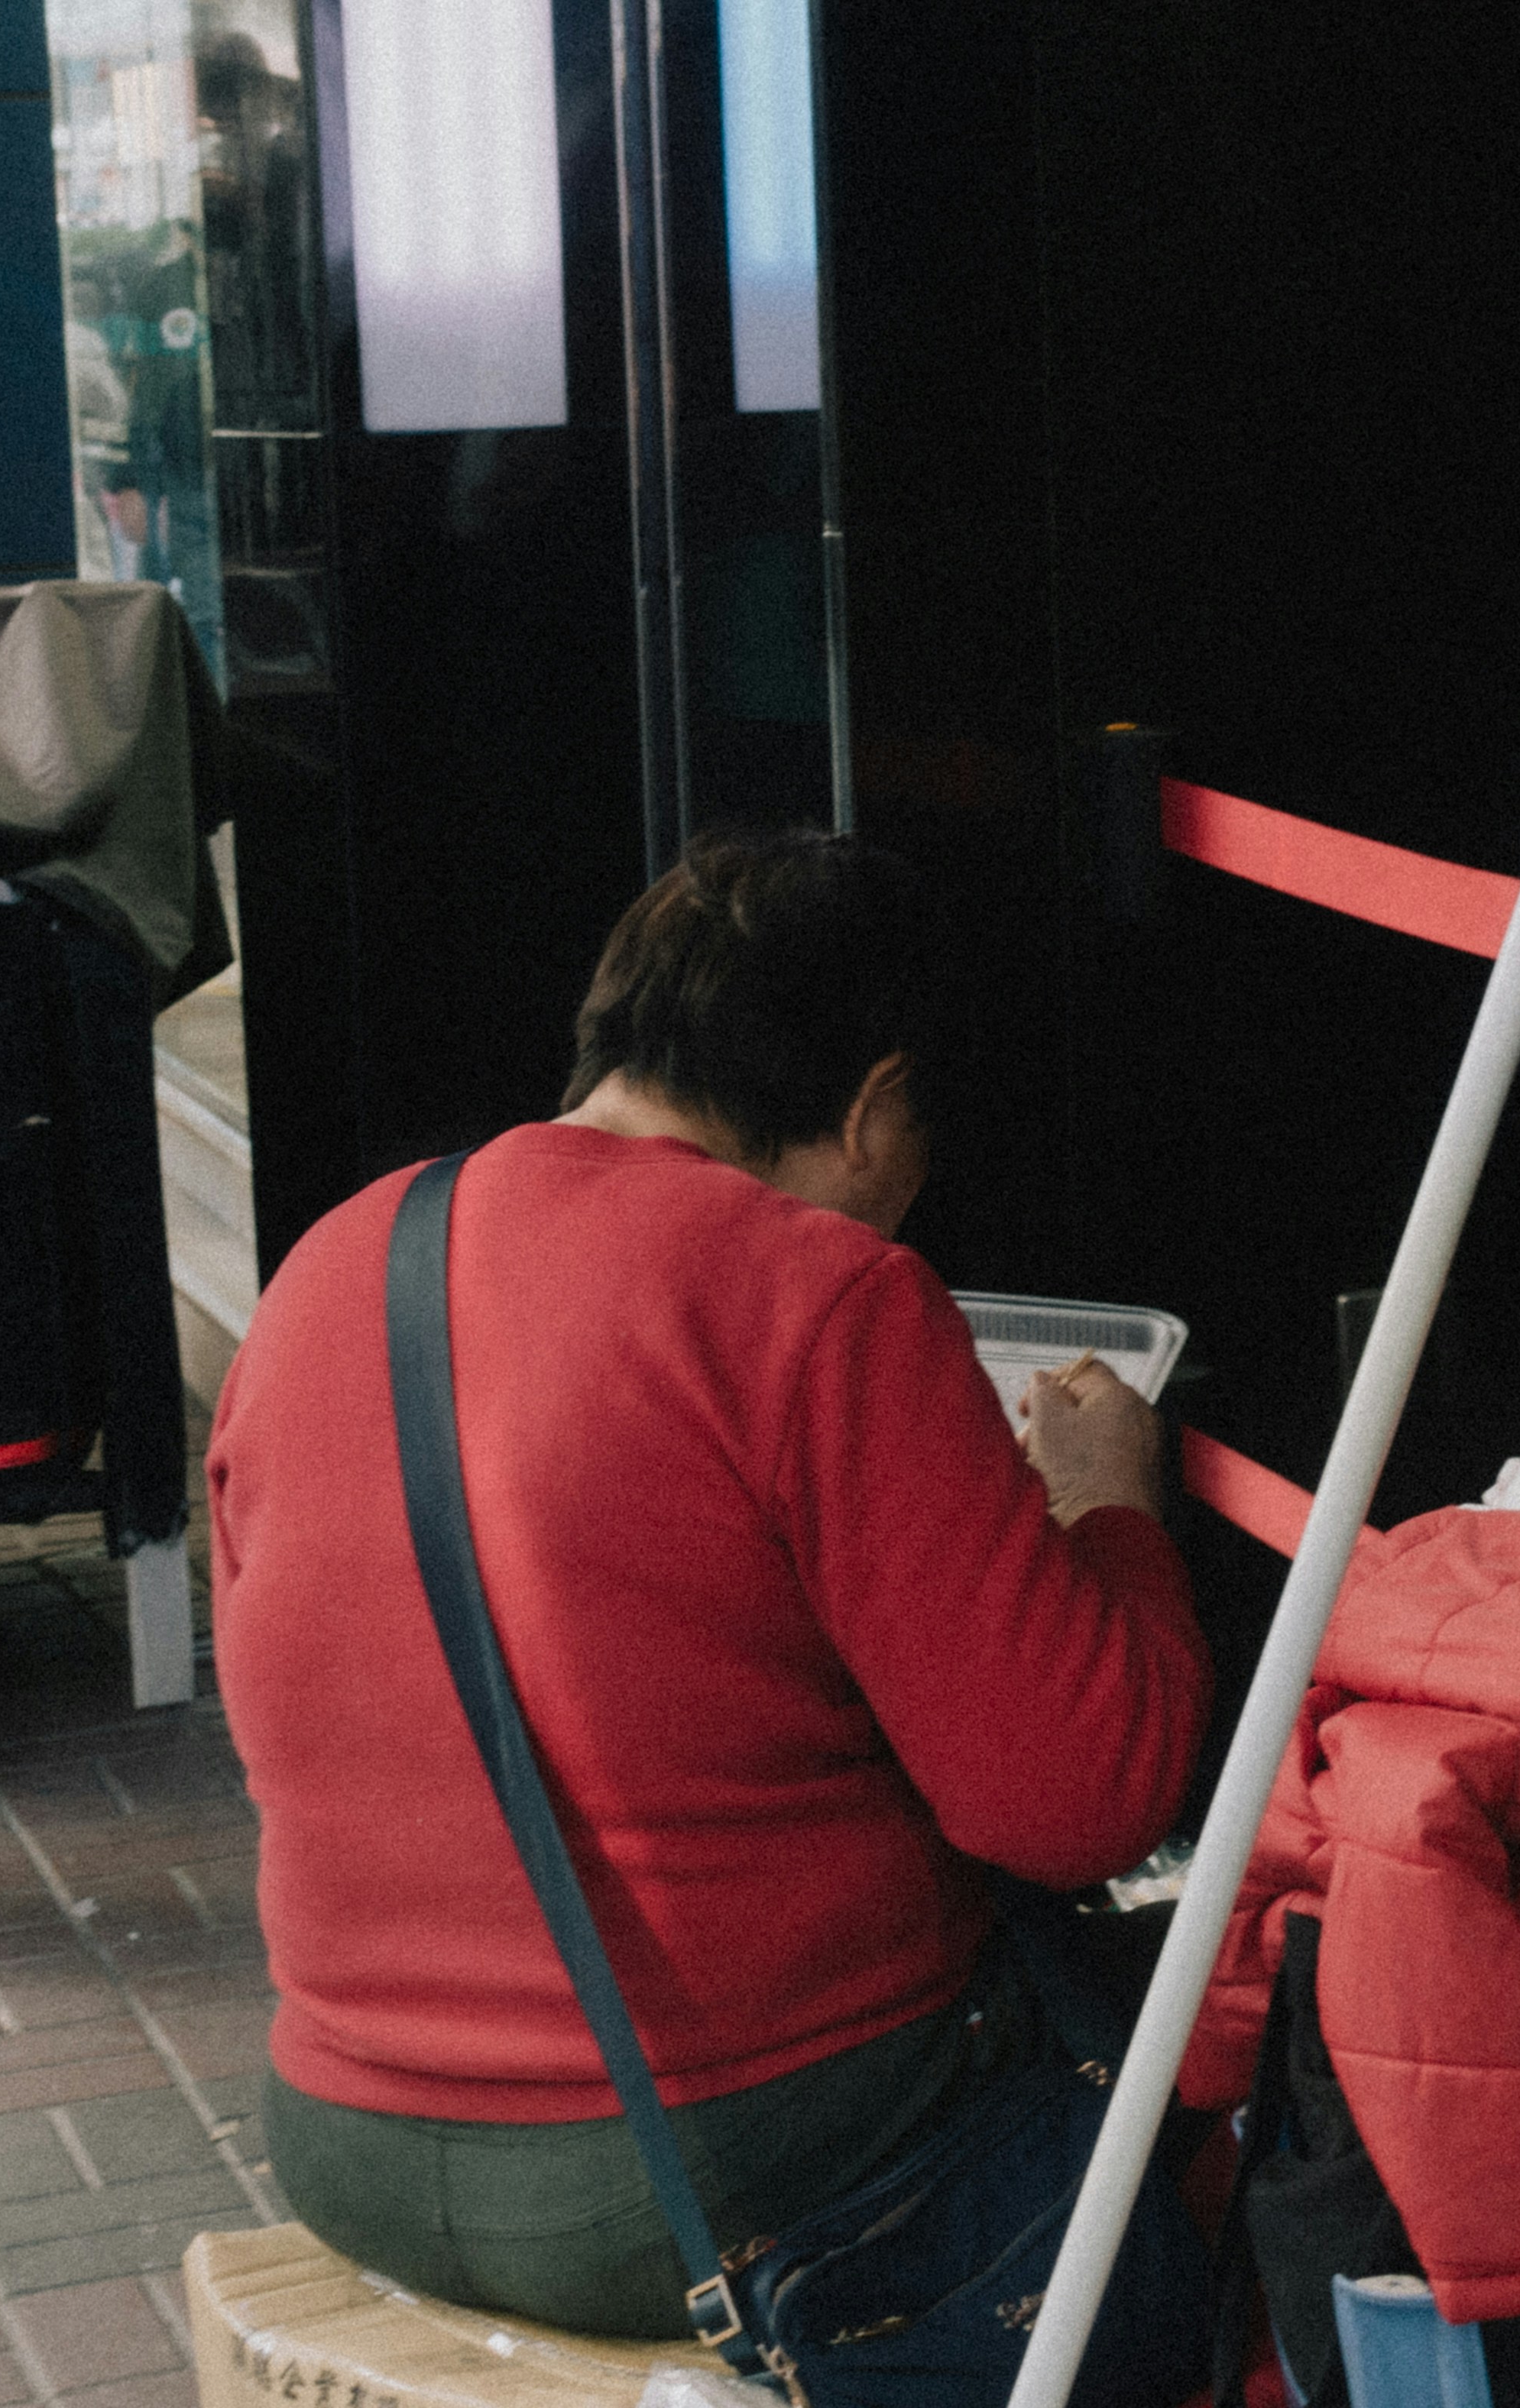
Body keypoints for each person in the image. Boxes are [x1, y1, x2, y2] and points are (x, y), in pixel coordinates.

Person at [209, 830, 1213, 2345]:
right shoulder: (821, 1296)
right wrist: (1102, 1503)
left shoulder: (336, 1261)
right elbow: (1079, 1797)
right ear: (876, 1107)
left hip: (341, 2123)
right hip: (701, 2156)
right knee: (1218, 2014)